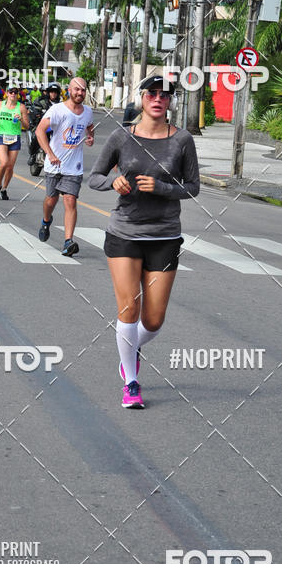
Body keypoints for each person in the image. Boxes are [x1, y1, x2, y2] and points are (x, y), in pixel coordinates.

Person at [88, 75, 200, 409]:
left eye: (165, 95)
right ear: (142, 98)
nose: (158, 99)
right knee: (129, 308)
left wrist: (162, 188)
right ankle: (131, 383)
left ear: (170, 101)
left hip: (164, 235)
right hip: (124, 232)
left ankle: (130, 348)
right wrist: (113, 183)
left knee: (152, 321)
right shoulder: (122, 136)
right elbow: (94, 178)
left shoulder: (182, 140)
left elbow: (193, 187)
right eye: (152, 93)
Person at [36, 77, 94, 257]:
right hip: (54, 165)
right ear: (69, 90)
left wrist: (90, 137)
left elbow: (90, 127)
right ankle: (46, 221)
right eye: (77, 89)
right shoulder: (57, 110)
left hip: (74, 167)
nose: (80, 93)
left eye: (83, 90)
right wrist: (50, 154)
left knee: (70, 200)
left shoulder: (88, 112)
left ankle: (68, 241)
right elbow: (39, 131)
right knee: (51, 200)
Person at [0, 86, 29, 200]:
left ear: (17, 94)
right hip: (1, 135)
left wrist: (21, 119)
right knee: (4, 163)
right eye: (11, 92)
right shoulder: (0, 105)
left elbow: (27, 126)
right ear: (7, 93)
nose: (13, 94)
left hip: (14, 137)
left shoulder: (21, 107)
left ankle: (4, 189)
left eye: (15, 92)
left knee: (10, 167)